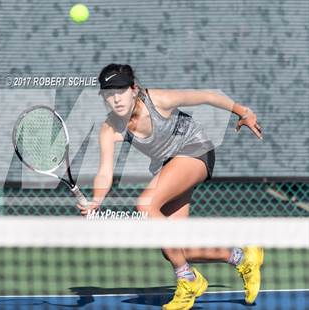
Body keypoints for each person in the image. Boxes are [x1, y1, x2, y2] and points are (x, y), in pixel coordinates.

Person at [77, 64, 264, 310]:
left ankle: (188, 280)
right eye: (109, 93)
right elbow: (105, 172)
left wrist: (244, 112)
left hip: (196, 150)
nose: (115, 98)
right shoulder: (109, 127)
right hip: (168, 165)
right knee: (176, 249)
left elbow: (206, 96)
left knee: (145, 205)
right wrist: (96, 201)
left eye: (120, 90)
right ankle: (243, 257)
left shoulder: (159, 100)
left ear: (134, 89)